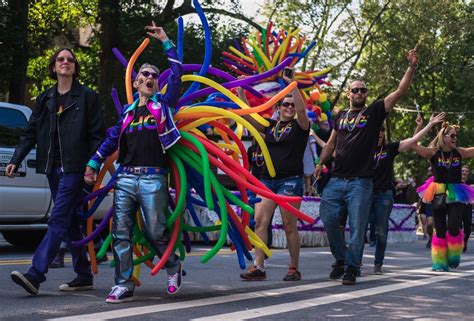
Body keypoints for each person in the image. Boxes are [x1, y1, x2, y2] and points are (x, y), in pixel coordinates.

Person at [85, 24, 183, 303]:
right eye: (144, 74)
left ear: (156, 83)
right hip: (126, 178)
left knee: (155, 231)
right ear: (137, 82)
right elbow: (110, 140)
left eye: (153, 75)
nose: (149, 77)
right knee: (121, 233)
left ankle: (173, 266)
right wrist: (93, 162)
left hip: (153, 178)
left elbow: (177, 75)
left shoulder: (164, 105)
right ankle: (123, 283)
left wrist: (165, 41)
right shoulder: (127, 113)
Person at [314, 45, 420, 285]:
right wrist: (320, 164)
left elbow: (400, 91)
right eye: (355, 90)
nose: (359, 93)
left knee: (358, 227)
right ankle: (341, 259)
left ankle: (352, 267)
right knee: (329, 220)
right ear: (349, 93)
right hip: (336, 180)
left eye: (363, 90)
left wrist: (411, 66)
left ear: (366, 94)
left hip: (361, 183)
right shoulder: (340, 116)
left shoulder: (373, 113)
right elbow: (331, 144)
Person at [7, 48, 105, 295]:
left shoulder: (87, 97)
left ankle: (35, 274)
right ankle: (83, 274)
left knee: (58, 217)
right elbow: (31, 133)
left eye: (70, 60)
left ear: (74, 67)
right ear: (53, 67)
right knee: (71, 222)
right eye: (61, 59)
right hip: (52, 167)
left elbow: (96, 135)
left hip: (75, 168)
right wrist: (16, 159)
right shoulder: (45, 99)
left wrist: (93, 164)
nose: (65, 62)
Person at [240, 68, 310, 281]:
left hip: (290, 181)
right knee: (260, 222)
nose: (289, 107)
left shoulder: (301, 126)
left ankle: (293, 268)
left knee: (289, 225)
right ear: (278, 108)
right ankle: (259, 266)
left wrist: (293, 86)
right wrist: (242, 93)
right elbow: (249, 118)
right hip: (266, 181)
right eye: (285, 104)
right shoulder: (270, 126)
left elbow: (302, 111)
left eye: (291, 104)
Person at [366, 113, 444, 275]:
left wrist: (427, 125)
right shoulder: (362, 150)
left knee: (381, 231)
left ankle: (378, 264)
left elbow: (412, 142)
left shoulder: (389, 148)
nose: (379, 133)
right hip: (364, 193)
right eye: (376, 131)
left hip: (384, 195)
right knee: (359, 230)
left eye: (382, 131)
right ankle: (354, 264)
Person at [414, 123, 474, 271]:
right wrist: (420, 126)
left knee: (454, 225)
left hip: (456, 192)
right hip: (437, 191)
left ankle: (454, 256)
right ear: (444, 137)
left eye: (456, 136)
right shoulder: (433, 153)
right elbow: (413, 144)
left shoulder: (459, 152)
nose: (455, 138)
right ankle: (440, 263)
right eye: (452, 135)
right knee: (439, 229)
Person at [461, 165, 473, 252]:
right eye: (462, 171)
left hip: (467, 207)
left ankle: (464, 241)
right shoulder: (456, 181)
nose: (464, 172)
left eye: (466, 171)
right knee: (457, 225)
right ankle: (459, 242)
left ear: (468, 173)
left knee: (467, 226)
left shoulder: (471, 182)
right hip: (457, 205)